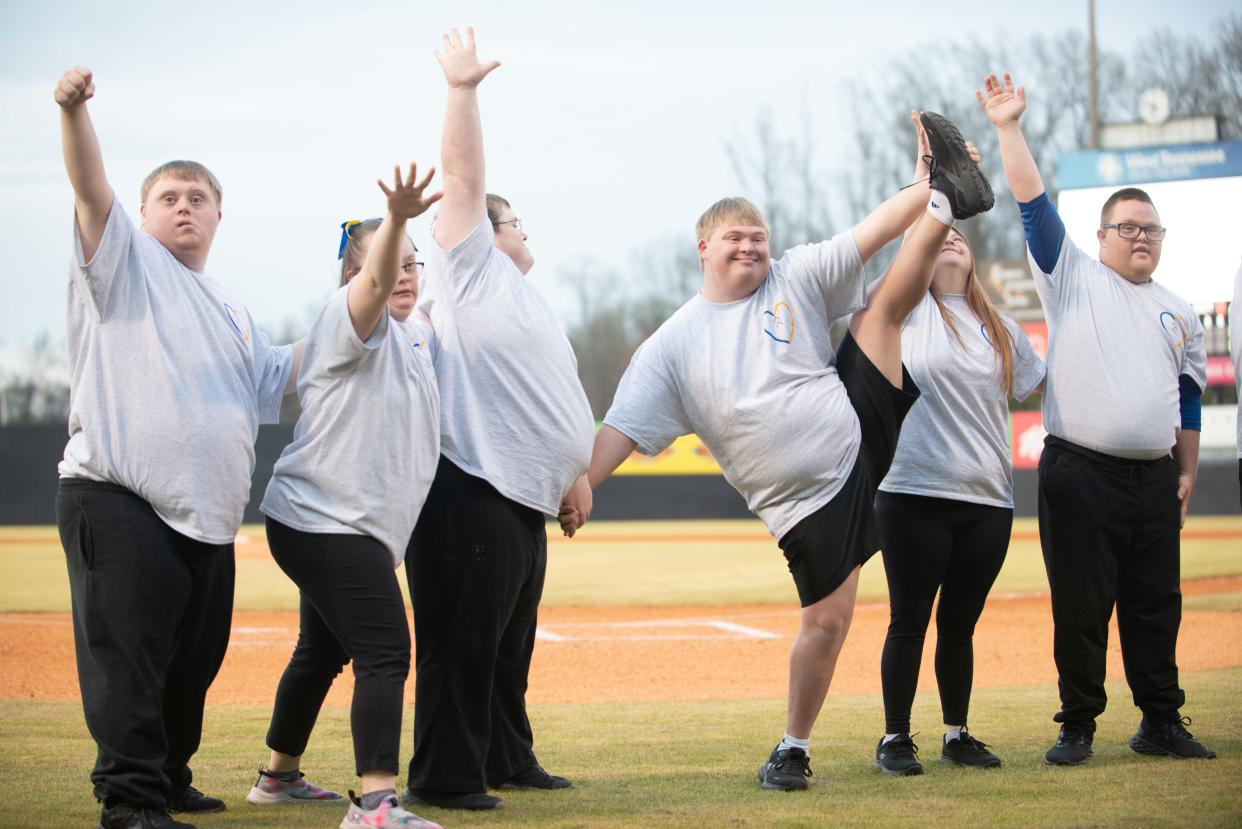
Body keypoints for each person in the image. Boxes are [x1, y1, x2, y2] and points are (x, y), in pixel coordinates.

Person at [561, 109, 995, 791]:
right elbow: (618, 429)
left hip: (854, 431)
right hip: (800, 504)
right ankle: (793, 746)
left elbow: (877, 228)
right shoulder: (671, 345)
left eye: (758, 237)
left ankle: (944, 203)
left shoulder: (792, 276)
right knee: (827, 621)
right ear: (702, 246)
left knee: (878, 309)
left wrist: (926, 183)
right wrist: (581, 482)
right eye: (735, 237)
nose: (750, 248)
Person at [52, 67, 297, 829]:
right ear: (143, 213)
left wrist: (364, 328)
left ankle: (164, 776)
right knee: (129, 662)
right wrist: (73, 113)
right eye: (169, 197)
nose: (184, 206)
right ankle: (129, 802)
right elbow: (91, 190)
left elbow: (277, 380)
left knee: (190, 663)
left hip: (206, 517)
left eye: (198, 198)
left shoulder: (230, 306)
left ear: (220, 214)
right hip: (120, 496)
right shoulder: (122, 261)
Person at [980, 71, 1215, 764]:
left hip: (1154, 477)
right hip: (1080, 471)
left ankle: (1161, 722)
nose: (1141, 236)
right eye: (1128, 227)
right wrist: (1008, 128)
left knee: (1154, 605)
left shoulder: (1179, 308)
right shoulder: (1072, 276)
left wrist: (1187, 472)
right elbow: (1031, 203)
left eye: (1152, 228)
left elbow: (1190, 395)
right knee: (1081, 609)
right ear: (1103, 234)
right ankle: (1078, 724)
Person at [402, 28, 595, 812]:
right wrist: (462, 90)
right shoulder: (467, 266)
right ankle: (447, 776)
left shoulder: (526, 301)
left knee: (509, 643)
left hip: (524, 495)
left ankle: (507, 756)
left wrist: (573, 471)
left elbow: (551, 399)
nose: (522, 233)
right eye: (512, 223)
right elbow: (461, 174)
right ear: (483, 231)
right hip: (468, 487)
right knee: (462, 643)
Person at [249, 166, 444, 829]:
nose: (407, 274)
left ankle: (277, 777)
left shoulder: (415, 339)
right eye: (396, 264)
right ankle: (376, 805)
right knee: (386, 645)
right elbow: (374, 283)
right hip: (323, 519)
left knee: (323, 648)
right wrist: (395, 223)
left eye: (418, 264)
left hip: (345, 523)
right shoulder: (348, 320)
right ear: (360, 277)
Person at [872, 226, 1045, 776]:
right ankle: (895, 738)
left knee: (960, 624)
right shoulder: (900, 311)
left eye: (960, 239)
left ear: (974, 260)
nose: (950, 241)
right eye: (939, 236)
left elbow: (1051, 389)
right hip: (912, 492)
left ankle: (956, 734)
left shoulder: (1003, 329)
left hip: (988, 500)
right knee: (909, 620)